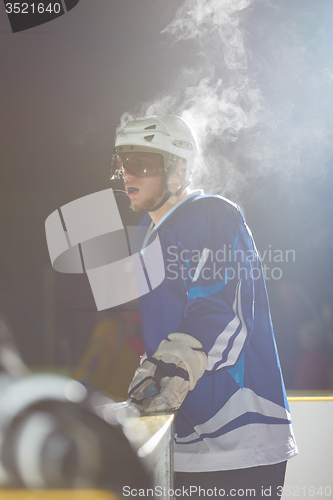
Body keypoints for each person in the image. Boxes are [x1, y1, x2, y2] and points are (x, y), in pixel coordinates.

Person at [110, 115, 298, 499]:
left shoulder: (212, 212)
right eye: (123, 163)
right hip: (187, 442)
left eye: (142, 163)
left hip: (239, 439)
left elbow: (222, 310)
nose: (128, 174)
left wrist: (169, 366)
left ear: (178, 169)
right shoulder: (149, 235)